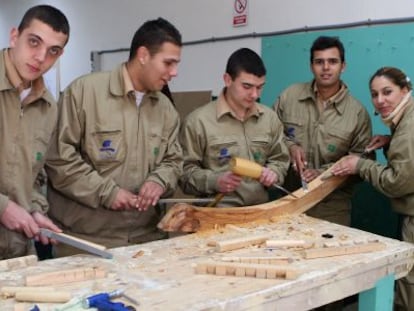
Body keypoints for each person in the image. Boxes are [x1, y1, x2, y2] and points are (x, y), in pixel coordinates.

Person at [45, 17, 183, 256]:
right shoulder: (84, 93)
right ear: (143, 55)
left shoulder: (165, 109)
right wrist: (107, 192)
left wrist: (159, 181)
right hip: (86, 242)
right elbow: (59, 160)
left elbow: (174, 160)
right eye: (168, 63)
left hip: (146, 240)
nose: (174, 72)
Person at [330, 67, 414, 311]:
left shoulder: (408, 128)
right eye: (375, 94)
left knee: (409, 290)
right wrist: (390, 143)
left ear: (405, 90)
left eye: (387, 92)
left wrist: (360, 165)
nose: (380, 101)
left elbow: (397, 182)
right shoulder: (405, 121)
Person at [274, 36, 372, 226]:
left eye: (332, 61)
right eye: (319, 62)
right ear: (311, 66)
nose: (326, 67)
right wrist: (290, 146)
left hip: (332, 208)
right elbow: (270, 136)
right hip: (288, 201)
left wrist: (323, 173)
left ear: (343, 66)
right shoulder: (289, 97)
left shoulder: (357, 113)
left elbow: (363, 164)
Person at [0, 5, 70, 259]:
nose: (41, 57)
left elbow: (35, 175)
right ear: (14, 36)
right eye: (34, 42)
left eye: (53, 51)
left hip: (16, 250)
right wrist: (3, 207)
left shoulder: (48, 107)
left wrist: (35, 210)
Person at [179, 48, 289, 207]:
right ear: (228, 80)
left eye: (260, 87)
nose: (254, 95)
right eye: (247, 86)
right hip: (216, 217)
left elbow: (280, 159)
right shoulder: (198, 121)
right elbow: (183, 173)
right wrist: (214, 181)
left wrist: (274, 172)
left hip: (260, 213)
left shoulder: (269, 119)